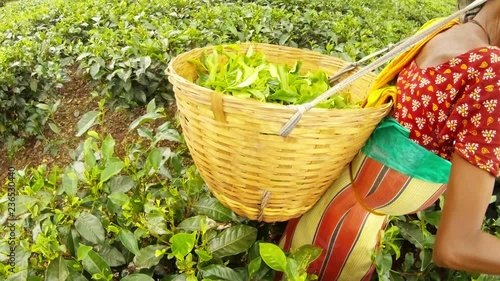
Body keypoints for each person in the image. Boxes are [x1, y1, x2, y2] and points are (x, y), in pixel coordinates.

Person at [278, 0, 500, 279]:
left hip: (330, 207)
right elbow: (458, 246)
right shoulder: (490, 71)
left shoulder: (444, 30)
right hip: (342, 239)